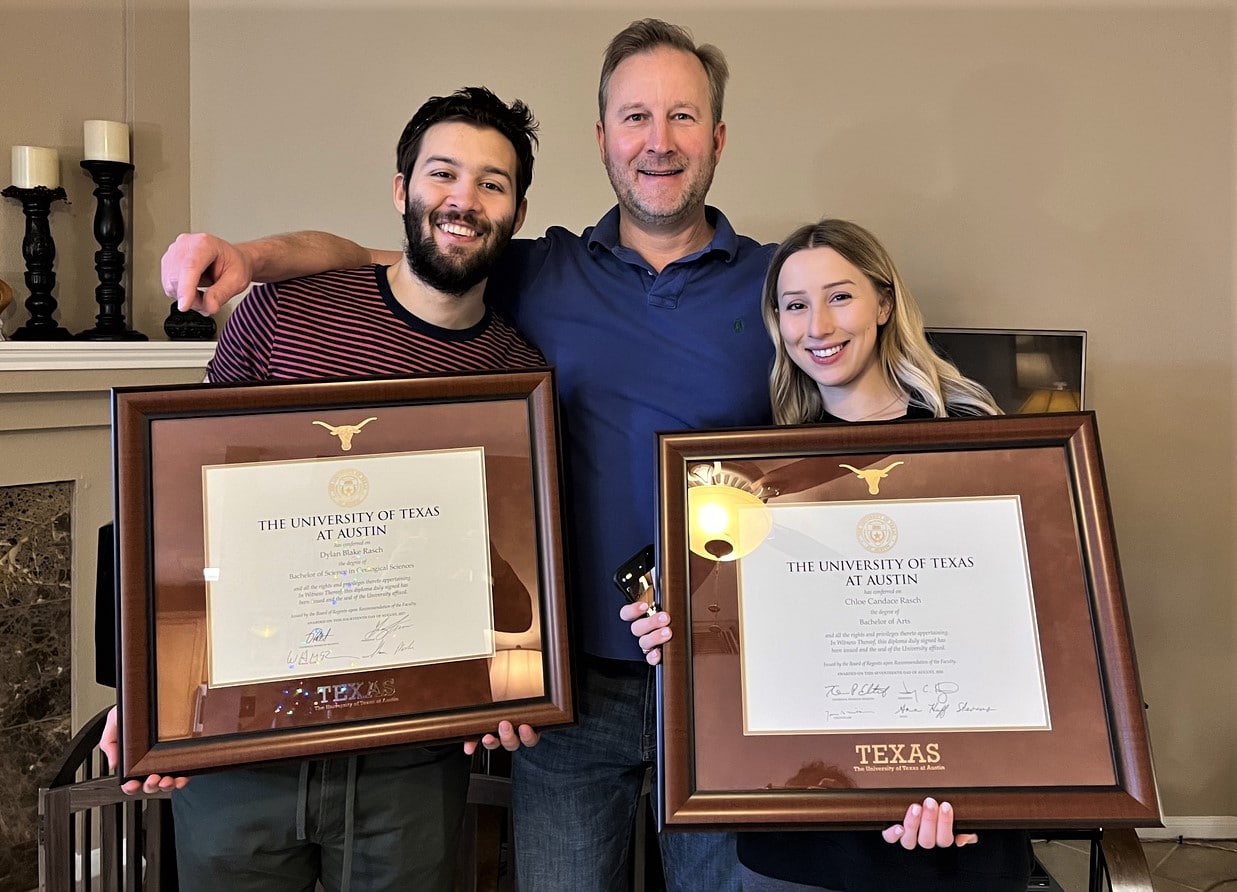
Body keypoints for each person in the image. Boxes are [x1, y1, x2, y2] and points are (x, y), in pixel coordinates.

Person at [159, 19, 772, 891]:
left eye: (683, 116)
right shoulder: (538, 271)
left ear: (716, 137)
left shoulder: (780, 286)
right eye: (636, 116)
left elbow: (837, 440)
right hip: (572, 695)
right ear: (602, 138)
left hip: (723, 681)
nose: (659, 141)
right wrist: (249, 258)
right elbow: (388, 256)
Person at [102, 85, 545, 892]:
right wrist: (145, 686)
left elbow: (505, 567)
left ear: (515, 213)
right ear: (400, 189)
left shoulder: (517, 377)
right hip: (244, 745)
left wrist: (520, 680)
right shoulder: (284, 312)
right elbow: (180, 504)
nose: (464, 200)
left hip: (409, 758)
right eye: (442, 174)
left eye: (492, 183)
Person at [624, 218, 1034, 891]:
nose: (816, 325)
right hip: (799, 834)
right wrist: (673, 630)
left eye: (838, 297)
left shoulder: (977, 446)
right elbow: (730, 638)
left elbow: (1017, 634)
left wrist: (981, 789)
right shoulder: (756, 475)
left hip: (947, 819)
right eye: (793, 305)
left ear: (882, 302)